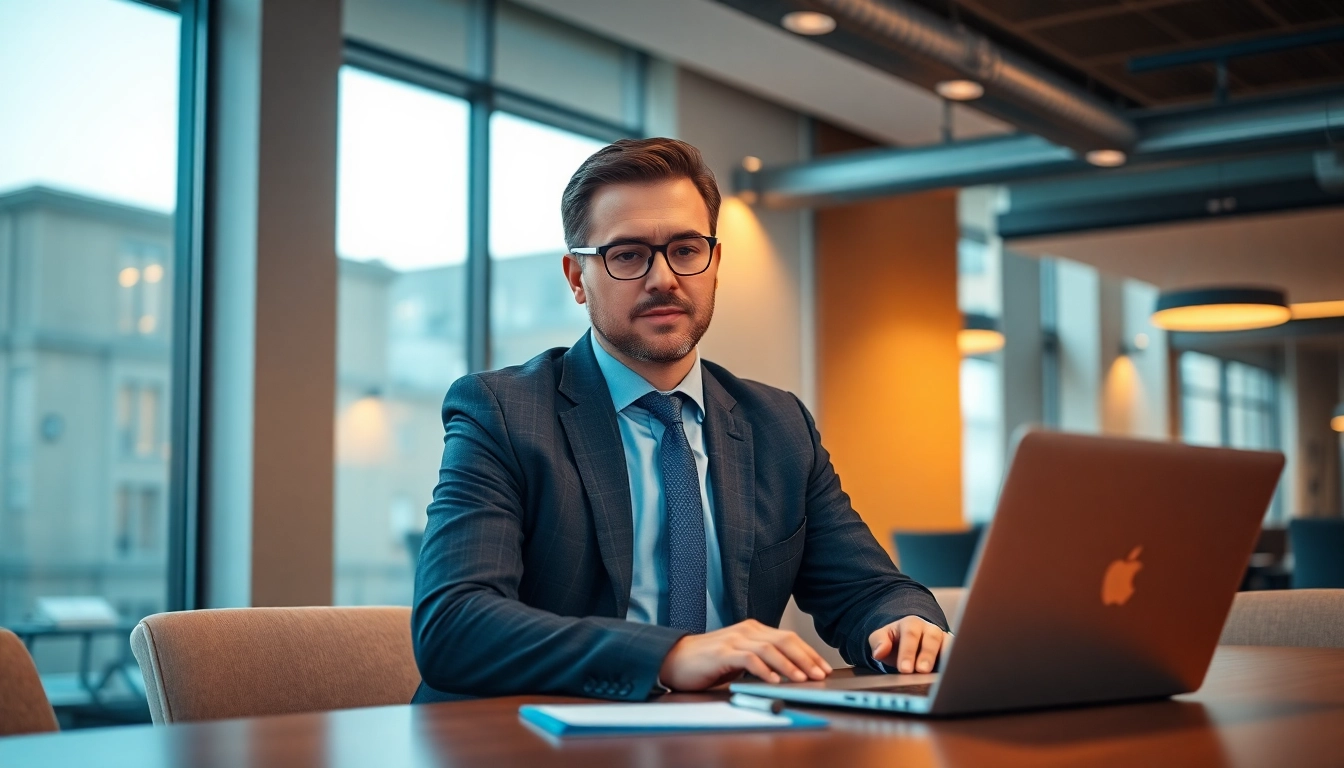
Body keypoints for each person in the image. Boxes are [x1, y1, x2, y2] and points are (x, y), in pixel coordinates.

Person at [411, 138, 949, 703]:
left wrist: (906, 625)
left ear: (714, 263)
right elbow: (454, 622)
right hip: (532, 742)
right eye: (627, 255)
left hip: (731, 740)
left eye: (686, 250)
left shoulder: (779, 425)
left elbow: (867, 589)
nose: (664, 278)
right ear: (576, 277)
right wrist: (665, 655)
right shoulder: (503, 413)